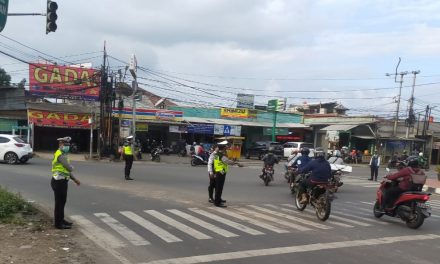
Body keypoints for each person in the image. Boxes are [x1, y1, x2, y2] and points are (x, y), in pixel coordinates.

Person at [51, 137, 80, 229]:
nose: (67, 147)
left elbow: (66, 171)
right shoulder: (60, 154)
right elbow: (68, 168)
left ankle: (61, 220)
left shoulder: (64, 154)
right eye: (65, 145)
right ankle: (58, 224)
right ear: (60, 145)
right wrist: (72, 168)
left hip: (62, 181)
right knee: (59, 203)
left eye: (68, 145)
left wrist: (74, 179)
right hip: (58, 182)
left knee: (62, 202)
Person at [207, 140, 241, 207]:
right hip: (219, 172)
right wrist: (237, 163)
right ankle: (216, 202)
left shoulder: (217, 154)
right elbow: (227, 161)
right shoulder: (219, 154)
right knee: (217, 187)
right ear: (222, 148)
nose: (226, 147)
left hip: (218, 171)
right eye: (225, 146)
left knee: (218, 187)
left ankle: (218, 199)